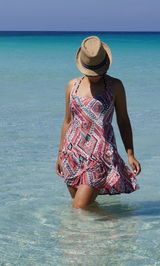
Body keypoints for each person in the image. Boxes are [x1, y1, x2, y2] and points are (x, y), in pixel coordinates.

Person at [56, 36, 141, 209]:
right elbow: (67, 121)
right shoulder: (72, 85)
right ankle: (111, 229)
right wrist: (60, 153)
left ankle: (115, 229)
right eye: (90, 71)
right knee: (86, 208)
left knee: (79, 209)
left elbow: (123, 120)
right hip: (72, 154)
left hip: (100, 155)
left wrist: (130, 153)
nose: (94, 76)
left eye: (97, 71)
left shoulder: (115, 86)